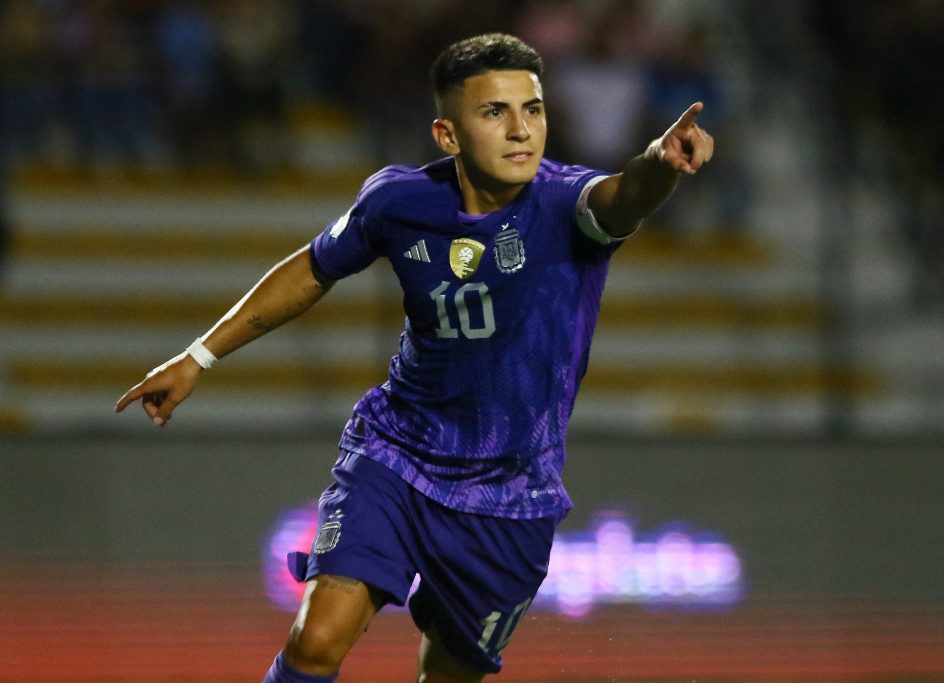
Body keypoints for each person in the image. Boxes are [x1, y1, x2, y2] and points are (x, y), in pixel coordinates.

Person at [115, 33, 713, 683]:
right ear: (448, 135)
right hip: (397, 452)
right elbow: (314, 268)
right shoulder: (399, 202)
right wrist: (199, 355)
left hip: (510, 494)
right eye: (495, 112)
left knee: (445, 675)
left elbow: (626, 197)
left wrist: (659, 160)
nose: (520, 130)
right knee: (315, 641)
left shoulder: (566, 203)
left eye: (532, 109)